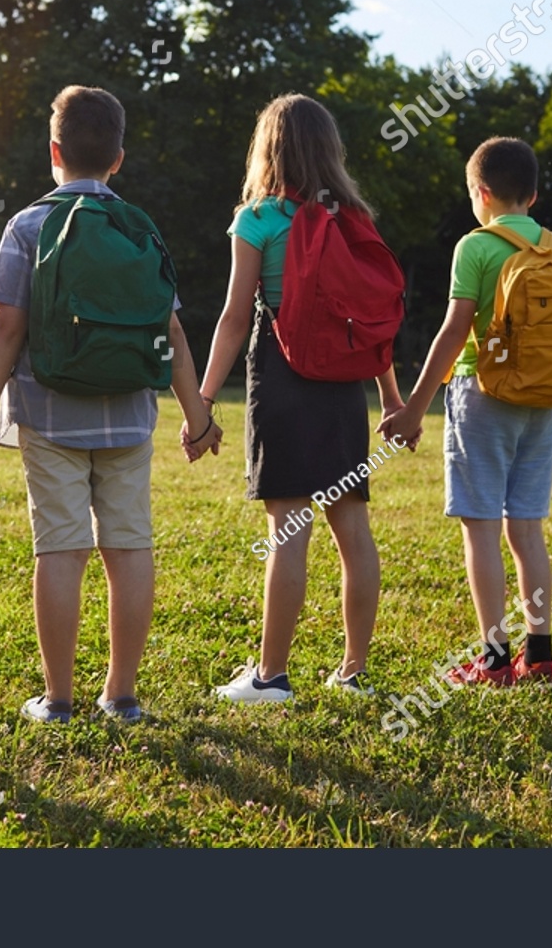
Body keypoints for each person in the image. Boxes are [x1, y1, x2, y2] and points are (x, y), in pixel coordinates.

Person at [0, 85, 219, 724]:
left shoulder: (28, 225)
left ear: (54, 152)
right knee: (130, 548)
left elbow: (6, 330)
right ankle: (122, 695)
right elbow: (171, 333)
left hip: (48, 414)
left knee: (61, 550)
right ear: (118, 158)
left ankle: (59, 699)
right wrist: (198, 416)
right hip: (128, 415)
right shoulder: (140, 227)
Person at [199, 94, 404, 703]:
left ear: (268, 148)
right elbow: (376, 325)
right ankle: (354, 671)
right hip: (344, 389)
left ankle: (271, 676)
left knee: (287, 527)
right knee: (352, 527)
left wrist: (204, 400)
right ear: (329, 150)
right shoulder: (355, 218)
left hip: (283, 379)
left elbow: (236, 317)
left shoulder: (258, 219)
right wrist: (390, 399)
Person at [379, 137, 552, 686]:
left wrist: (415, 407)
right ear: (533, 195)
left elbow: (453, 331)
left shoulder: (477, 246)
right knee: (528, 531)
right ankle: (540, 656)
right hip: (540, 402)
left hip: (482, 392)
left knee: (481, 529)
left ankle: (493, 659)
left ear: (481, 193)